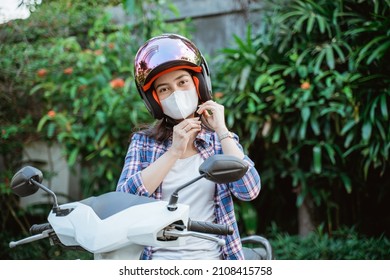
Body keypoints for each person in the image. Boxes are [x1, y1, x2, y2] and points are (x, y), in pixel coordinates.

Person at [116, 33, 261, 260]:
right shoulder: (143, 143)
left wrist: (222, 131)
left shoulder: (218, 142)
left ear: (198, 85)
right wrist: (173, 152)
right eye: (164, 89)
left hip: (213, 259)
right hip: (157, 261)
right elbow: (123, 201)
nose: (174, 93)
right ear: (155, 100)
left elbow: (249, 191)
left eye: (182, 82)